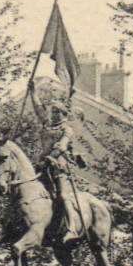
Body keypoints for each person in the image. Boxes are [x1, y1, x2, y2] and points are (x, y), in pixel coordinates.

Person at [42, 98, 86, 241]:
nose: (54, 114)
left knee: (62, 195)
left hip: (58, 164)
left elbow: (61, 146)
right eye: (53, 111)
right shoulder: (48, 126)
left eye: (57, 112)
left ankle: (72, 227)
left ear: (63, 114)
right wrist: (33, 91)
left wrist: (50, 157)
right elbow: (38, 109)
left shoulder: (66, 129)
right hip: (43, 163)